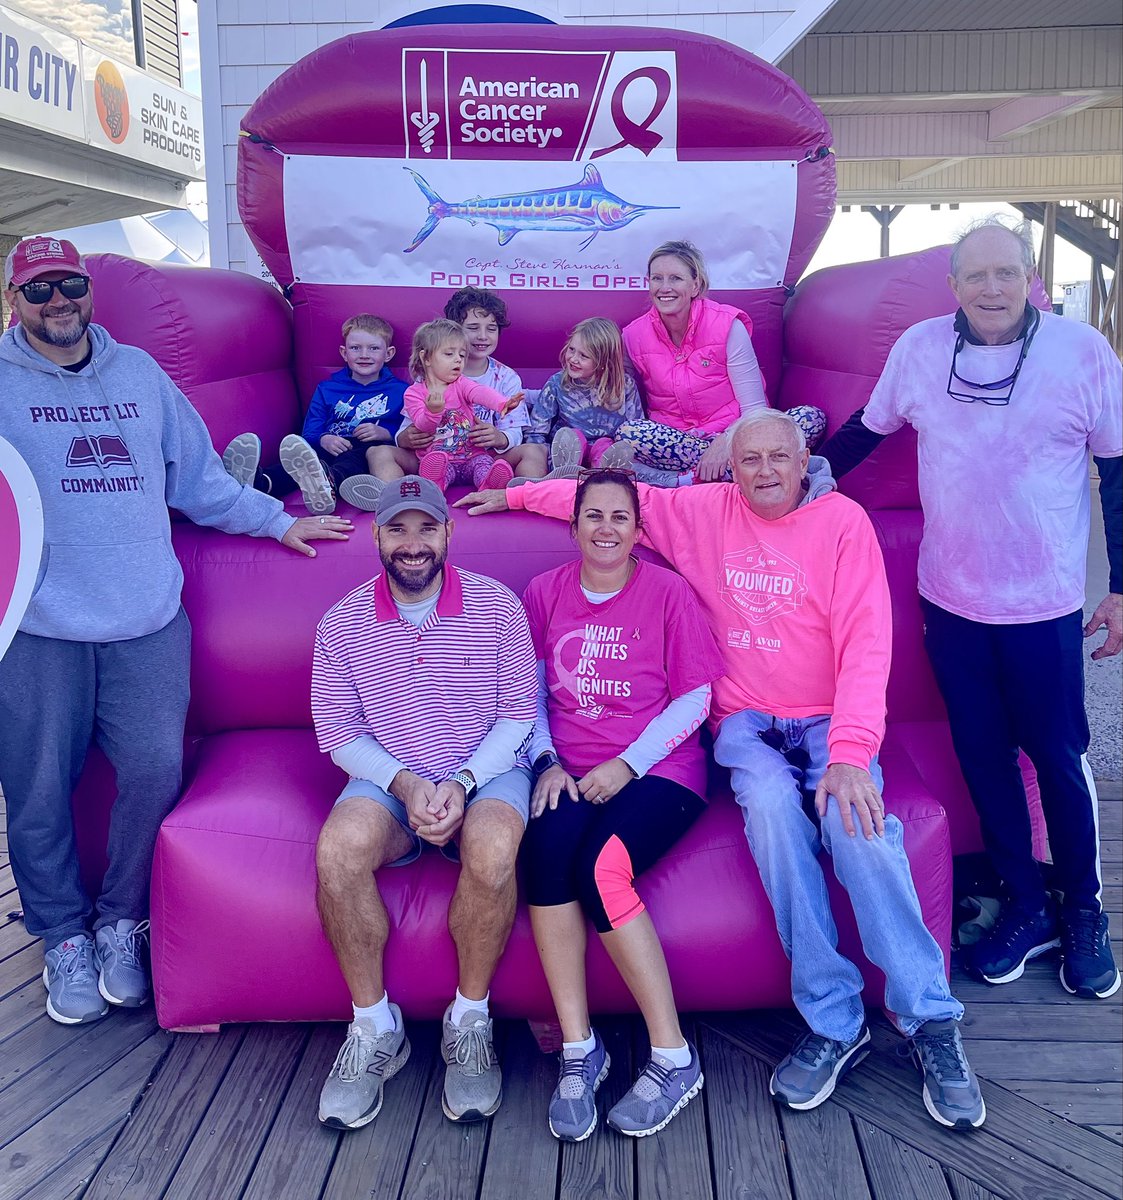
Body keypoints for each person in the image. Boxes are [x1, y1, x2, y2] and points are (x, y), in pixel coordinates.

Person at [458, 409, 986, 1131]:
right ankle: (833, 1020)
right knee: (769, 810)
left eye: (778, 458)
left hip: (828, 715)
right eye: (749, 460)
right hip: (744, 720)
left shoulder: (842, 524)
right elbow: (606, 505)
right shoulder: (702, 512)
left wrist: (852, 755)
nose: (764, 472)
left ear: (803, 462)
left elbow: (868, 644)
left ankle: (929, 1017)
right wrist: (516, 496)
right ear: (728, 468)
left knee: (855, 823)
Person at [0, 236, 352, 1026]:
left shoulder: (140, 376)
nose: (56, 303)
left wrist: (275, 523)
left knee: (155, 772)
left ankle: (121, 922)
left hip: (147, 618)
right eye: (38, 291)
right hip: (37, 625)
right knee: (37, 790)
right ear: (13, 300)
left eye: (68, 287)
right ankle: (61, 937)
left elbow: (196, 481)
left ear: (88, 292)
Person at [819, 215, 1123, 1001]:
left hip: (1044, 603)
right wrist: (793, 486)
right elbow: (865, 432)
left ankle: (1083, 910)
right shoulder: (920, 348)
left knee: (1056, 758)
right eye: (975, 276)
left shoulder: (1081, 351)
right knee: (982, 757)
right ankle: (1025, 905)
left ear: (1031, 281)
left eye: (1005, 273)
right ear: (952, 286)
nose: (991, 288)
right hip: (950, 600)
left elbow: (1117, 472)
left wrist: (1119, 587)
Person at [312, 475, 537, 1131]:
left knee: (494, 849)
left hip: (484, 773)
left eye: (426, 528)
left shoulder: (498, 608)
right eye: (398, 529)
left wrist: (462, 781)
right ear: (376, 536)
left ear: (449, 533)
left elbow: (518, 714)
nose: (413, 544)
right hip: (390, 781)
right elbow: (339, 733)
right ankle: (373, 1027)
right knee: (338, 850)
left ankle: (469, 1021)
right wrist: (407, 784)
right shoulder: (342, 622)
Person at [522, 468, 725, 1140]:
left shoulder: (667, 591)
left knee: (600, 870)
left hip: (661, 767)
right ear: (573, 523)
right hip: (572, 766)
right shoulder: (544, 593)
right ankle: (580, 1051)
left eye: (619, 517)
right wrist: (547, 761)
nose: (605, 528)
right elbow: (526, 697)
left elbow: (696, 697)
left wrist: (627, 762)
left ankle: (672, 1057)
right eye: (593, 516)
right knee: (547, 856)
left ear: (638, 530)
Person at [616, 240, 825, 486]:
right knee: (628, 435)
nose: (664, 287)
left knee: (811, 418)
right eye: (657, 278)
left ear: (695, 285)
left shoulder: (727, 325)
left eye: (675, 278)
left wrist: (726, 442)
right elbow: (623, 400)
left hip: (740, 434)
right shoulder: (633, 336)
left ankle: (688, 479)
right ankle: (735, 473)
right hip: (680, 442)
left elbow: (755, 408)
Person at [350, 288, 540, 505]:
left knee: (534, 451)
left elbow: (514, 430)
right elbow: (408, 424)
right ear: (454, 331)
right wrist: (404, 438)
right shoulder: (427, 379)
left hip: (483, 457)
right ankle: (399, 502)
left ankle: (526, 500)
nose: (482, 336)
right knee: (378, 452)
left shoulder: (505, 377)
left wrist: (501, 438)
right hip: (434, 458)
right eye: (473, 328)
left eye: (491, 329)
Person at [223, 313, 407, 515]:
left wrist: (386, 433)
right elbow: (310, 431)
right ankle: (259, 482)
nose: (364, 354)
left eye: (374, 348)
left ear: (388, 354)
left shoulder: (401, 391)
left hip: (366, 452)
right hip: (328, 448)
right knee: (301, 462)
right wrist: (324, 439)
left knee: (355, 458)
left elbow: (410, 434)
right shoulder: (327, 388)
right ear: (344, 353)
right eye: (355, 348)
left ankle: (328, 484)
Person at [400, 319, 519, 494]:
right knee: (436, 468)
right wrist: (433, 412)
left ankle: (489, 486)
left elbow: (480, 392)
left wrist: (501, 403)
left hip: (472, 456)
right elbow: (422, 426)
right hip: (441, 459)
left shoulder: (461, 383)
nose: (458, 360)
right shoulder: (414, 393)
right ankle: (434, 487)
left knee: (484, 465)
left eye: (462, 355)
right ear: (425, 358)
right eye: (449, 354)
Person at [524, 318, 642, 481]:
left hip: (604, 451)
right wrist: (541, 460)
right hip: (565, 452)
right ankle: (567, 472)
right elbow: (536, 430)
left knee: (605, 446)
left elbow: (636, 430)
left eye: (583, 355)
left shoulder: (625, 386)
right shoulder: (557, 383)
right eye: (571, 349)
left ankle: (605, 474)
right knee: (571, 437)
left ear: (603, 362)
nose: (573, 359)